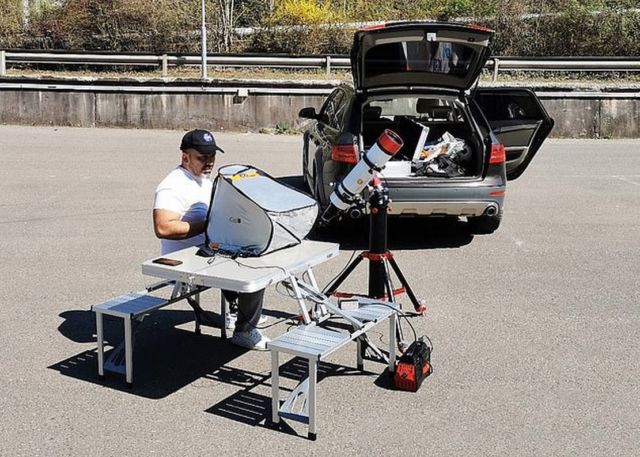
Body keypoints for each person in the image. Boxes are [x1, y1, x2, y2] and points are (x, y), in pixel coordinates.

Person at [153, 129, 270, 350]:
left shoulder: (201, 179)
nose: (209, 162)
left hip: (207, 251)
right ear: (185, 157)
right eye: (202, 157)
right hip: (185, 261)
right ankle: (244, 331)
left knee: (256, 250)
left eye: (212, 156)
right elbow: (163, 227)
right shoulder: (172, 185)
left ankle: (240, 313)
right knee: (256, 270)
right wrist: (210, 225)